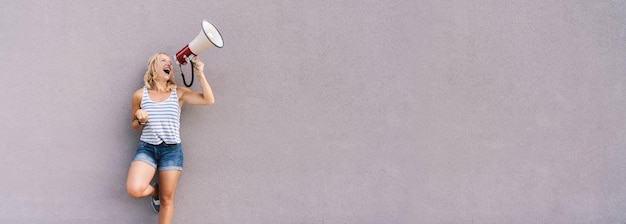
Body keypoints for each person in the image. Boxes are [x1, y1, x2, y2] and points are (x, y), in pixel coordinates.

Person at [125, 52, 214, 224]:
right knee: (134, 189)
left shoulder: (178, 93)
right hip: (147, 147)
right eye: (163, 60)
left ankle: (161, 195)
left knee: (167, 201)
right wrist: (141, 120)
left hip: (172, 151)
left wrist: (200, 73)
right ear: (153, 67)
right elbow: (134, 125)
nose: (169, 64)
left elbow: (208, 100)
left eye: (170, 62)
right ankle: (155, 192)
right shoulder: (139, 95)